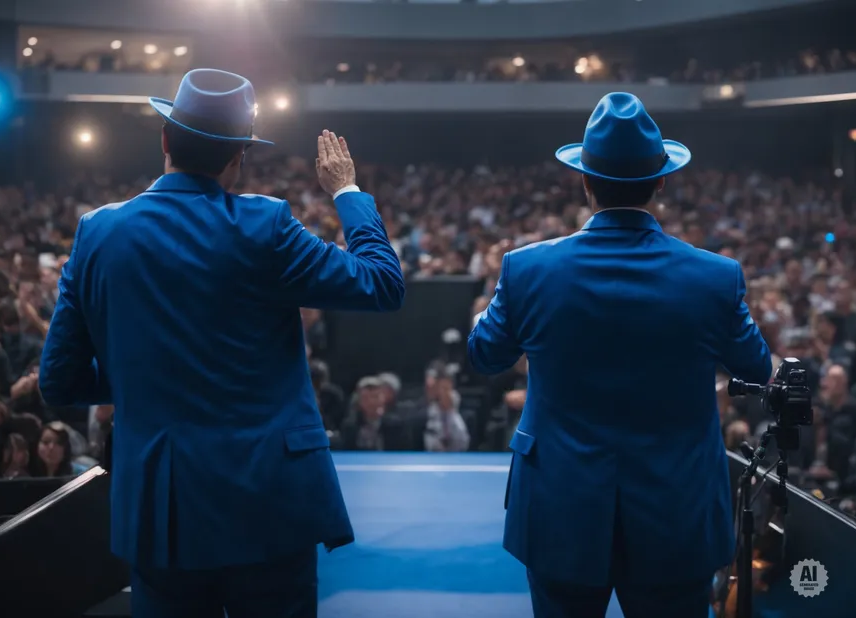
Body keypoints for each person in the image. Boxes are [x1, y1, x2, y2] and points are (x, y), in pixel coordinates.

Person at [38, 69, 404, 617]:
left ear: (164, 139)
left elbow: (59, 381)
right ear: (238, 156)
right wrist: (346, 191)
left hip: (162, 511)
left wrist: (147, 375)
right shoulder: (267, 226)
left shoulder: (98, 232)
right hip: (270, 501)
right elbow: (382, 282)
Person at [468, 92, 772, 618]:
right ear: (660, 183)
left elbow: (485, 355)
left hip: (560, 511)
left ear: (584, 181)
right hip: (676, 516)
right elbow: (756, 368)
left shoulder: (527, 271)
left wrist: (486, 314)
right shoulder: (715, 278)